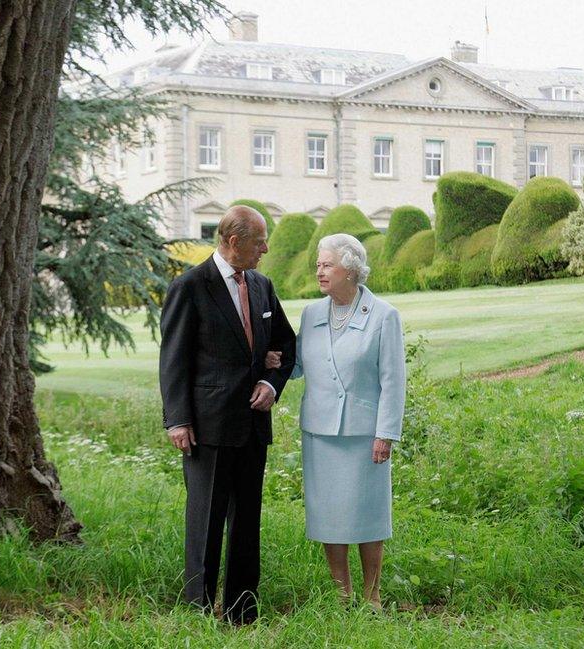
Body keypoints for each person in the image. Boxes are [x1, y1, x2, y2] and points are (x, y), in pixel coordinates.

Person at [159, 205, 296, 624]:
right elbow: (173, 359)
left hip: (253, 427)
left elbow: (285, 347)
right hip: (207, 427)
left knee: (246, 522)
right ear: (234, 243)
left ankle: (242, 612)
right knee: (205, 523)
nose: (266, 249)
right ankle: (198, 612)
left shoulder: (261, 284)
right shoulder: (190, 286)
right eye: (259, 242)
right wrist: (177, 419)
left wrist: (271, 382)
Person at [268, 233, 405, 609]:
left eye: (327, 264)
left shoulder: (384, 316)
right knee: (329, 515)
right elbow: (300, 366)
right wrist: (275, 363)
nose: (320, 271)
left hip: (365, 434)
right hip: (321, 432)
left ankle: (372, 595)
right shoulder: (311, 314)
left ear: (351, 270)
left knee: (368, 515)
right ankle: (341, 594)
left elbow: (393, 380)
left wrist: (386, 434)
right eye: (318, 265)